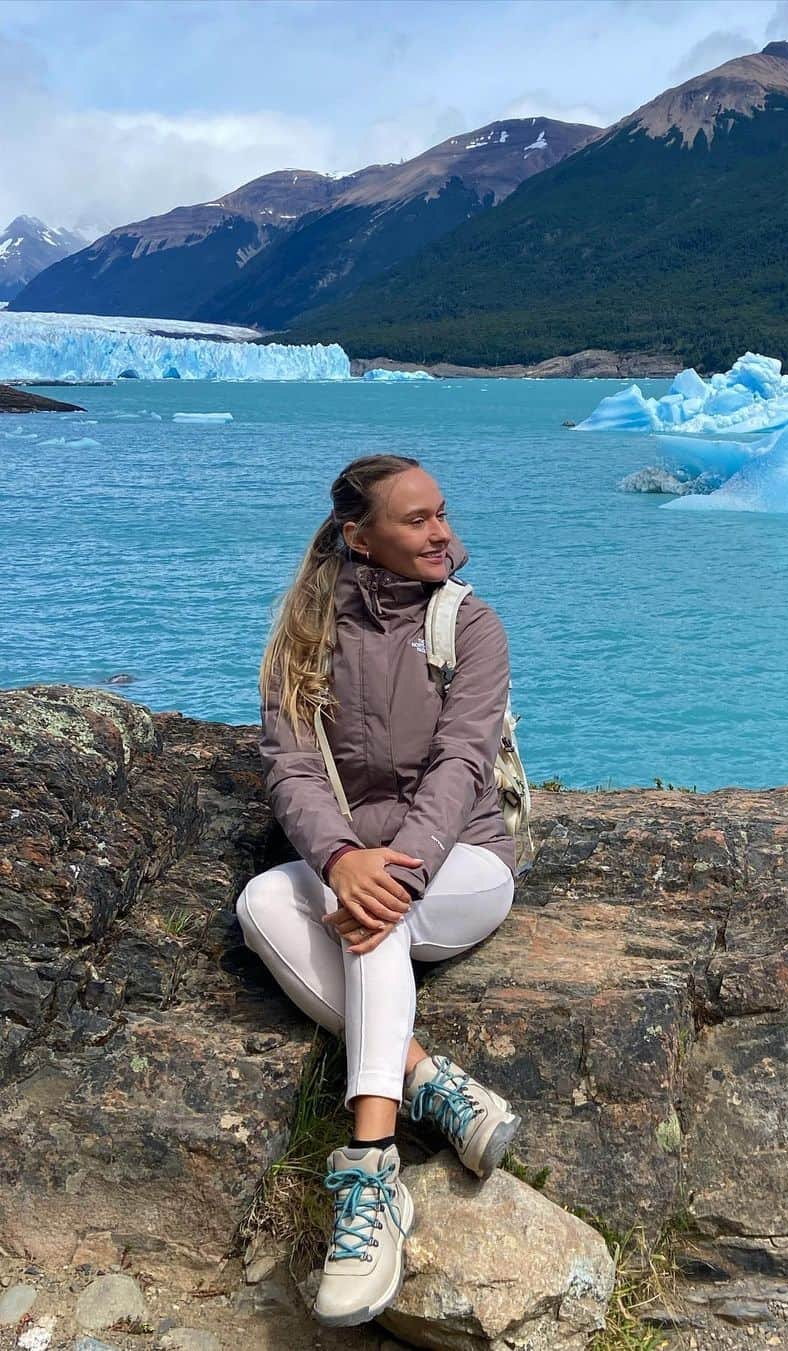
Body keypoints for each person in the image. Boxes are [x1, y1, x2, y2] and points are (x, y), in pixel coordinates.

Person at [236, 453, 520, 1328]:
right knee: (259, 903)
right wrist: (335, 857)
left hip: (466, 859)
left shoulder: (469, 625)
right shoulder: (306, 633)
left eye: (442, 513)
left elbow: (463, 763)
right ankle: (424, 1077)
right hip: (355, 861)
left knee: (375, 917)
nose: (440, 532)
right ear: (360, 537)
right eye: (416, 519)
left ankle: (370, 1172)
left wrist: (384, 867)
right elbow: (290, 768)